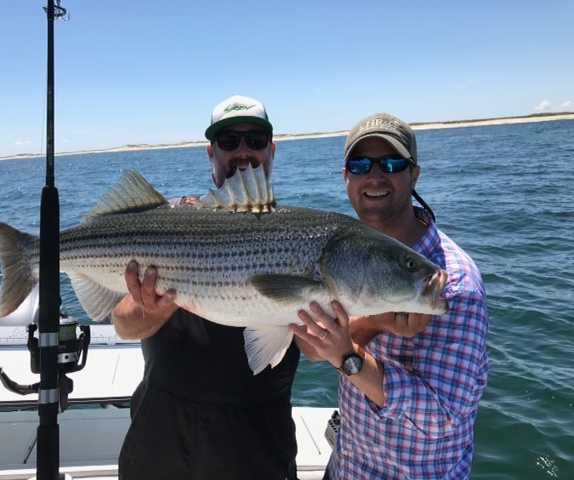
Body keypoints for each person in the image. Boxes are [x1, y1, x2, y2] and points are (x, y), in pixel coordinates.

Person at [112, 95, 301, 480]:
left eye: (256, 140)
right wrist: (157, 306)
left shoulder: (300, 237)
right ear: (211, 152)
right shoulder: (168, 221)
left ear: (272, 150)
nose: (243, 152)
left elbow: (321, 346)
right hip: (160, 435)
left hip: (257, 443)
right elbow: (122, 326)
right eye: (230, 141)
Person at [291, 113, 489, 479]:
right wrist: (374, 323)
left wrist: (350, 358)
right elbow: (315, 350)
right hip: (346, 468)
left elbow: (443, 419)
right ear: (346, 177)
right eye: (361, 164)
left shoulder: (454, 283)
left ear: (414, 174)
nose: (375, 176)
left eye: (393, 163)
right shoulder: (347, 255)